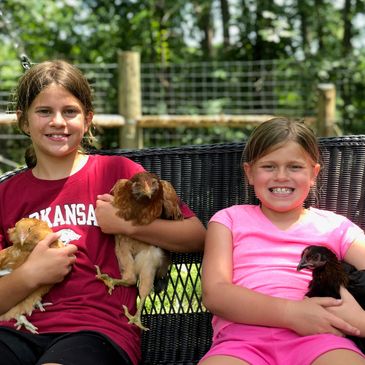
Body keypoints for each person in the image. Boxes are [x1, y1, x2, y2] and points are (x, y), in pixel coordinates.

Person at [0, 60, 206, 365]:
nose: (58, 121)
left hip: (96, 330)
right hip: (15, 326)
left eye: (70, 111)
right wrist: (31, 275)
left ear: (87, 120)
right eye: (44, 112)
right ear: (24, 121)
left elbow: (197, 235)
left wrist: (129, 226)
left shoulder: (117, 173)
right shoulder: (7, 194)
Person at [200, 117, 365, 365]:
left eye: (295, 167)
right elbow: (216, 294)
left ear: (313, 174)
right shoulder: (228, 221)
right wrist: (291, 313)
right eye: (268, 166)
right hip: (241, 341)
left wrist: (361, 321)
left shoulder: (336, 227)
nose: (281, 176)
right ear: (250, 173)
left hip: (322, 336)